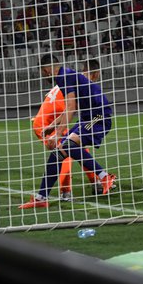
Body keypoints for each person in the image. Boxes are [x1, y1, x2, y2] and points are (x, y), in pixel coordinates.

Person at [20, 56, 116, 209]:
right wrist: (52, 126)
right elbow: (70, 108)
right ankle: (41, 198)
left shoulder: (64, 77)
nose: (44, 75)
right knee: (58, 153)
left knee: (69, 144)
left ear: (47, 69)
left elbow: (71, 108)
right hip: (86, 118)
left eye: (43, 72)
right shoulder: (65, 77)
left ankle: (104, 176)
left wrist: (57, 133)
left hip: (98, 116)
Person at [31, 63, 99, 202]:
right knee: (63, 153)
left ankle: (96, 183)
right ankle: (65, 192)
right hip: (46, 125)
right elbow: (69, 109)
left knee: (78, 148)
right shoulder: (76, 85)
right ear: (93, 74)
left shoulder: (70, 80)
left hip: (50, 121)